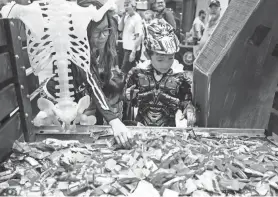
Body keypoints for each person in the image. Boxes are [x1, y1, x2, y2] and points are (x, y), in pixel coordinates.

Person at [34, 0, 132, 148]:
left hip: (81, 107)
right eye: (97, 32)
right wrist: (113, 119)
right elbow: (92, 82)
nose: (103, 36)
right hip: (56, 108)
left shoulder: (102, 50)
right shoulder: (70, 53)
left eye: (106, 29)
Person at [124, 19, 196, 127]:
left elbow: (186, 100)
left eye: (170, 58)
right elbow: (123, 102)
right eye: (160, 60)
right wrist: (126, 96)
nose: (166, 64)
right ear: (147, 55)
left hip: (168, 132)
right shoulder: (136, 73)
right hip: (140, 128)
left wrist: (189, 109)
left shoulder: (180, 77)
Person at [118, 0, 143, 75]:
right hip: (125, 48)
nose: (125, 7)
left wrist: (133, 52)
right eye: (124, 5)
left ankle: (124, 86)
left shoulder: (137, 19)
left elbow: (139, 36)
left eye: (127, 5)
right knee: (131, 71)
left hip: (131, 49)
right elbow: (120, 29)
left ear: (133, 7)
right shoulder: (127, 16)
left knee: (123, 71)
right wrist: (122, 17)